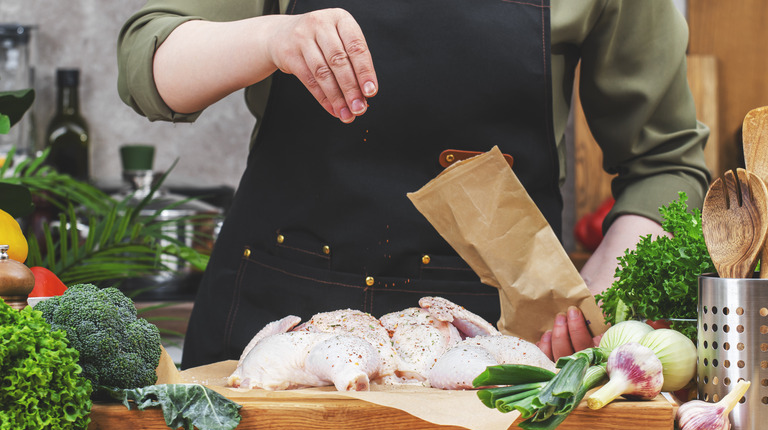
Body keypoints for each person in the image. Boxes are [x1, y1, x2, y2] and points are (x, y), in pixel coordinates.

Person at [117, 0, 710, 369]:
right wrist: (273, 38)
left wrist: (596, 298)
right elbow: (151, 64)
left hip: (491, 353)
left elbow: (665, 162)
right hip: (275, 337)